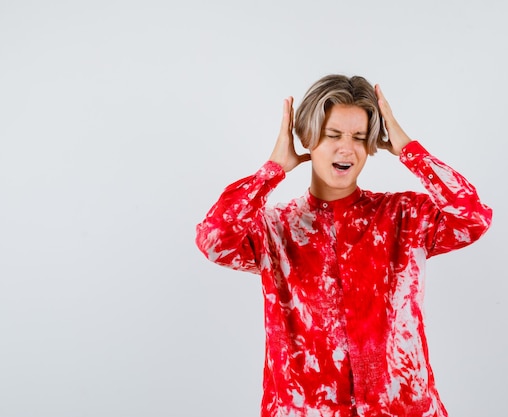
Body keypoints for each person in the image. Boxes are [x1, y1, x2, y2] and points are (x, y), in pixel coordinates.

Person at [196, 74, 492, 417]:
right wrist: (272, 170)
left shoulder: (404, 216)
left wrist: (410, 151)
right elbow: (214, 239)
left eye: (360, 137)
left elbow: (472, 217)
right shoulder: (274, 227)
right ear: (308, 137)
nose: (346, 148)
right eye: (333, 135)